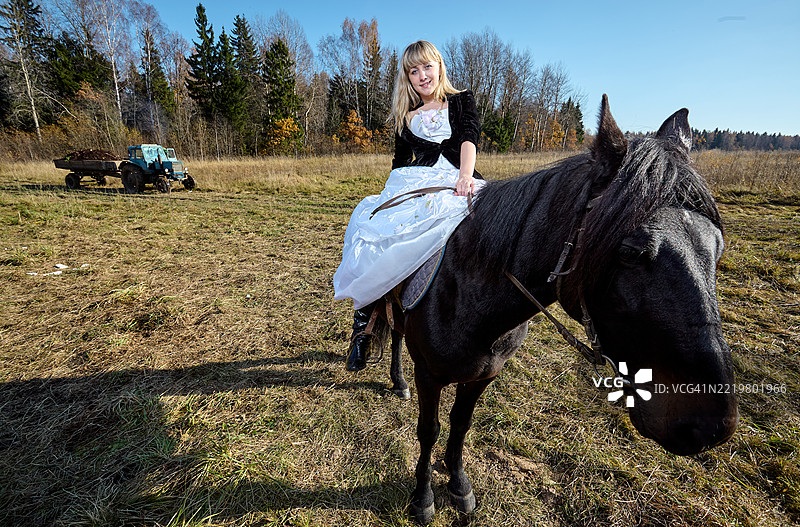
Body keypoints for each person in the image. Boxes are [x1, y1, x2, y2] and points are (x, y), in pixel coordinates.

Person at [333, 40, 485, 371]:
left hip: (458, 177)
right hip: (416, 182)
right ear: (407, 78)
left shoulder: (460, 101)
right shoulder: (407, 115)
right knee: (372, 231)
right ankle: (364, 328)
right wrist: (388, 198)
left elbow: (469, 137)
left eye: (427, 67)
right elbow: (400, 161)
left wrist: (464, 176)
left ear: (440, 67)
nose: (422, 75)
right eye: (413, 71)